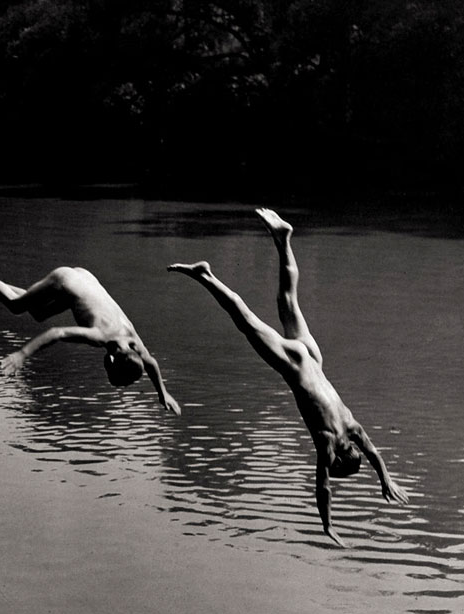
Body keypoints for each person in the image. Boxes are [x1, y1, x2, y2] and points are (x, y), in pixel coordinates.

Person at [168, 208, 409, 546]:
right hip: (296, 366)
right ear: (338, 458)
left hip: (313, 357)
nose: (329, 467)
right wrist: (327, 526)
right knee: (245, 320)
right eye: (335, 467)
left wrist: (384, 479)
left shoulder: (352, 428)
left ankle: (283, 239)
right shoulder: (327, 444)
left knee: (286, 299)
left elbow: (374, 454)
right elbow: (321, 486)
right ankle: (205, 275)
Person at [0, 261, 181, 414]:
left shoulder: (134, 343)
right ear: (113, 362)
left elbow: (150, 363)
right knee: (16, 306)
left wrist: (162, 393)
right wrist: (22, 354)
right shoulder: (101, 337)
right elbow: (56, 333)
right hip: (65, 280)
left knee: (39, 313)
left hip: (84, 280)